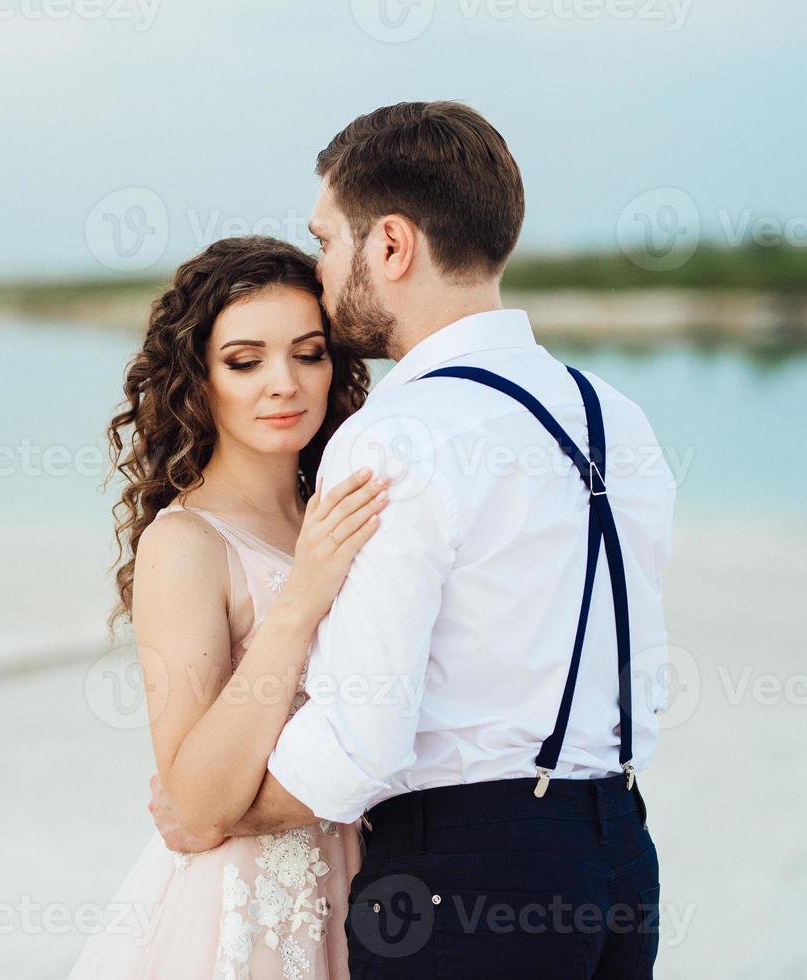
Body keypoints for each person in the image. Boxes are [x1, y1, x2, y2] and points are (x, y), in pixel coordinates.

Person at [147, 101, 678, 978]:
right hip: (621, 863)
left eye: (326, 241)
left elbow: (364, 741)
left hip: (466, 877)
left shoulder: (396, 436)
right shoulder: (615, 417)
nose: (321, 271)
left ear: (389, 245)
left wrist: (221, 813)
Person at [69, 234, 385, 979]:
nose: (285, 383)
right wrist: (300, 600)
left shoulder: (339, 509)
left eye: (309, 353)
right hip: (244, 910)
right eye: (246, 361)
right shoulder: (185, 543)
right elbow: (199, 799)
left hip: (367, 887)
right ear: (197, 379)